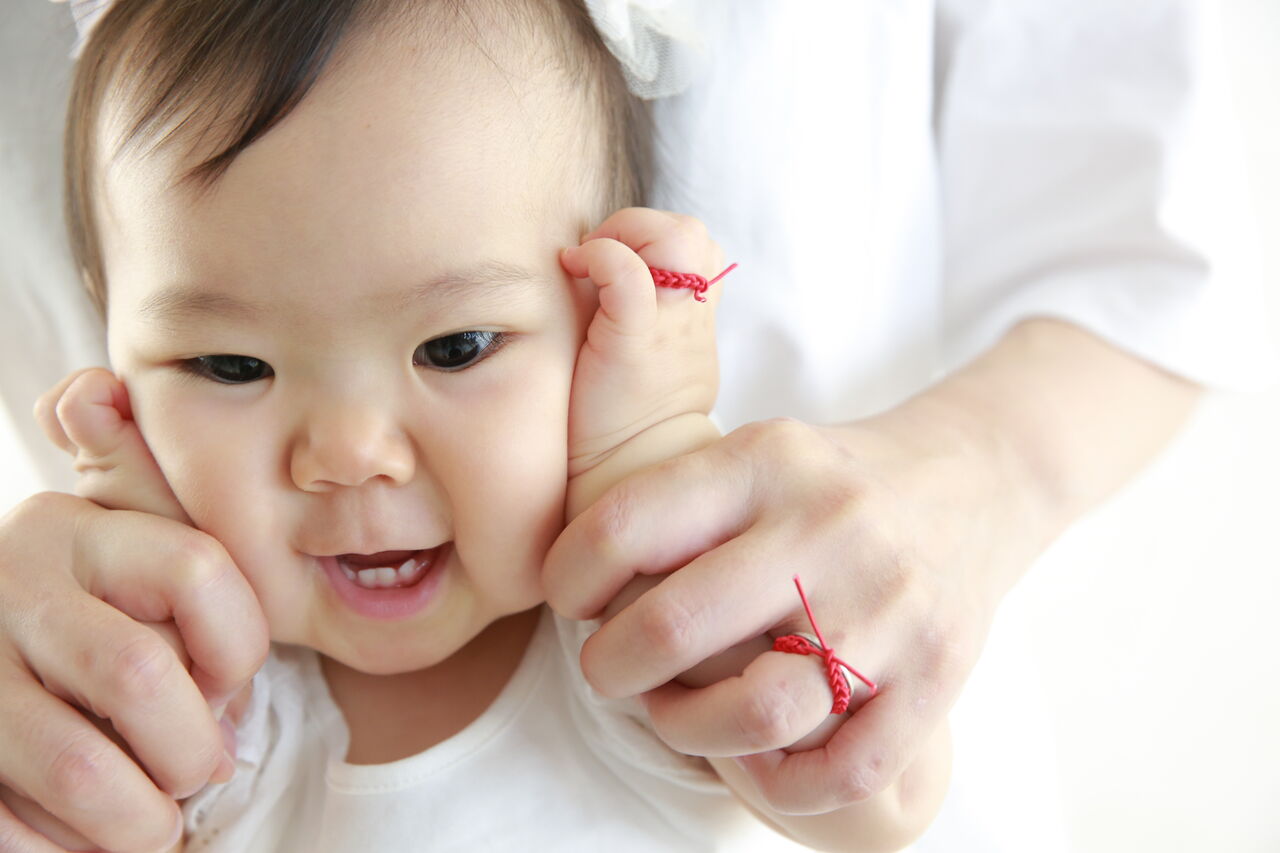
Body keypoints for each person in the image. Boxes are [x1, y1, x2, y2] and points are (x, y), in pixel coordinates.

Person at [1, 1, 1272, 851]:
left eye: (455, 348)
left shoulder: (633, 657)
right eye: (226, 363)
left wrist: (644, 450)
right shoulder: (207, 715)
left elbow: (877, 797)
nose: (344, 454)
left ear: (597, 321)